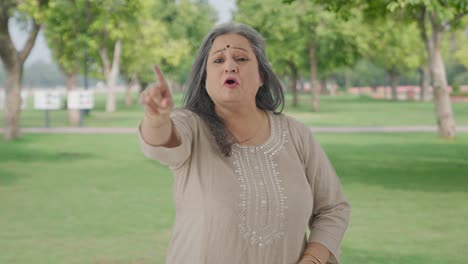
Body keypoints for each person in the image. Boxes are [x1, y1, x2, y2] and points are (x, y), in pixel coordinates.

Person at [138, 22, 350, 264]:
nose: (230, 66)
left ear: (261, 75)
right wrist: (156, 118)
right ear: (204, 79)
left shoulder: (296, 134)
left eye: (241, 58)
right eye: (218, 61)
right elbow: (163, 142)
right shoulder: (190, 126)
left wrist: (313, 259)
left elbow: (332, 209)